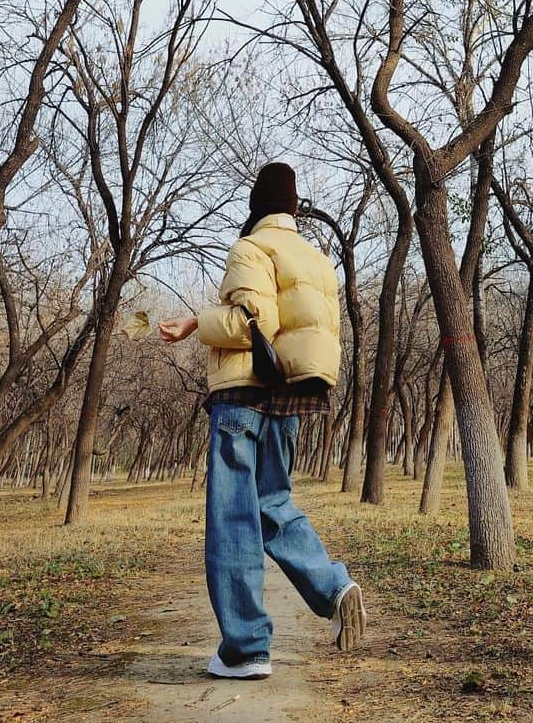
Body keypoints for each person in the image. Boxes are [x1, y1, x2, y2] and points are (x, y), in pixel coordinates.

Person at [159, 161, 367, 680]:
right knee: (272, 503)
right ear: (294, 207)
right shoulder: (317, 261)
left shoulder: (251, 249)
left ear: (257, 206)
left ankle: (245, 647)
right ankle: (332, 585)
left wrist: (193, 323)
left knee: (233, 519)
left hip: (242, 400)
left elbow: (253, 324)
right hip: (289, 402)